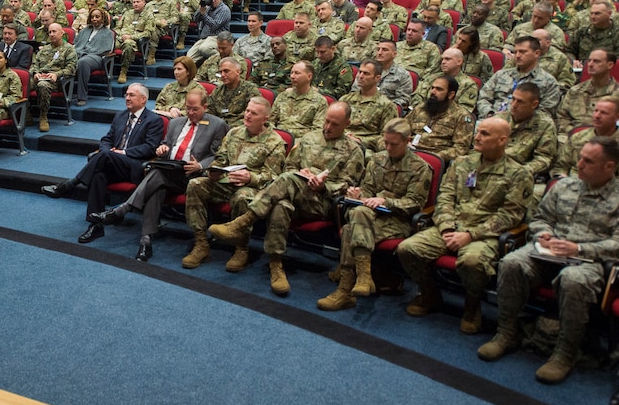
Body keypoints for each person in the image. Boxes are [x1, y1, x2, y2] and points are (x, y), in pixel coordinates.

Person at [479, 137, 619, 384]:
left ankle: (565, 353)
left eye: (588, 161)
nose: (579, 164)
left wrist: (580, 248)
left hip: (589, 261)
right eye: (580, 157)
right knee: (512, 263)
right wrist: (543, 233)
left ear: (609, 166)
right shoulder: (565, 186)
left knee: (573, 280)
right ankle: (506, 333)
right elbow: (541, 217)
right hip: (548, 252)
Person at [209, 102, 365, 296]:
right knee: (281, 204)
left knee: (288, 182)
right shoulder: (309, 138)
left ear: (347, 124)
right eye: (326, 121)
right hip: (295, 192)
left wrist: (323, 185)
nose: (328, 127)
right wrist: (302, 173)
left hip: (322, 202)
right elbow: (289, 168)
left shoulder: (353, 150)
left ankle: (243, 222)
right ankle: (276, 264)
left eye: (335, 124)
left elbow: (347, 185)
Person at [396, 117, 534, 334]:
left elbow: (510, 216)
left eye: (485, 134)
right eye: (478, 132)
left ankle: (472, 305)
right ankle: (430, 293)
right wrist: (447, 228)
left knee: (472, 261)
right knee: (408, 249)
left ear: (502, 140)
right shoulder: (462, 163)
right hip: (450, 226)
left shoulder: (519, 174)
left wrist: (470, 235)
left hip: (485, 235)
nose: (477, 137)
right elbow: (445, 199)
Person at [89, 89, 228, 261]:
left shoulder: (217, 125)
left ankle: (123, 209)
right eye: (188, 108)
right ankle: (145, 241)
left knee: (157, 174)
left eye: (195, 109)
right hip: (170, 169)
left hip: (193, 176)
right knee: (157, 183)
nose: (191, 113)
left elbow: (218, 155)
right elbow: (165, 145)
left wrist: (200, 165)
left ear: (205, 107)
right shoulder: (176, 123)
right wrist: (162, 149)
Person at [318, 118, 432, 311]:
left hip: (397, 220)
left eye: (393, 144)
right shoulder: (377, 159)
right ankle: (363, 276)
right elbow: (368, 189)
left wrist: (386, 201)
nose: (388, 148)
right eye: (385, 143)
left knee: (348, 229)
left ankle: (346, 288)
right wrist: (358, 194)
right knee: (359, 212)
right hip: (371, 215)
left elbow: (415, 203)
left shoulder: (420, 168)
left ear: (407, 141)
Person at [41, 84, 164, 231]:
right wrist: (108, 152)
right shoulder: (120, 116)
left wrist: (122, 153)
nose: (127, 98)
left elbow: (150, 148)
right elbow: (107, 139)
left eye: (132, 95)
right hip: (112, 161)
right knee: (99, 174)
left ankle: (69, 185)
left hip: (134, 166)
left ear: (143, 99)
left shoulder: (154, 120)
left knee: (102, 157)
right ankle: (96, 225)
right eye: (126, 94)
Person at [183, 96, 286, 271]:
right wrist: (214, 170)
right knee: (195, 184)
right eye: (247, 111)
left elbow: (273, 176)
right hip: (226, 182)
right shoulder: (234, 133)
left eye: (253, 113)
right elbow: (221, 158)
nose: (247, 115)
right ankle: (201, 243)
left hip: (253, 188)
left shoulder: (275, 142)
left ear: (265, 119)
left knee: (242, 196)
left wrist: (250, 178)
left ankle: (241, 248)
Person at [551, 97, 619, 186]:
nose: (597, 116)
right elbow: (560, 166)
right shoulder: (578, 137)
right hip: (570, 186)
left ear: (617, 117)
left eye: (604, 113)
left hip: (606, 194)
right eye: (595, 111)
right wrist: (562, 177)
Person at [555, 49, 619, 139]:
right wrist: (574, 133)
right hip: (572, 136)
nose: (590, 64)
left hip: (606, 140)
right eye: (589, 61)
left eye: (596, 61)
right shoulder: (575, 91)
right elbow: (561, 117)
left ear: (610, 65)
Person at [477, 36, 561, 118]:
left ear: (537, 53)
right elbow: (483, 98)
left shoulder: (549, 82)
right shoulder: (501, 74)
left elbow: (544, 113)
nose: (517, 56)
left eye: (522, 52)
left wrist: (509, 119)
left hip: (523, 127)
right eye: (515, 52)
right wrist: (489, 114)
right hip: (490, 121)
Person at [405, 75, 474, 163]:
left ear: (450, 94)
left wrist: (436, 157)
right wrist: (403, 142)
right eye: (432, 88)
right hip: (409, 151)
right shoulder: (420, 108)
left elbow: (461, 148)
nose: (433, 92)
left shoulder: (461, 116)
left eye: (439, 89)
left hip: (435, 158)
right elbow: (401, 128)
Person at [341, 60, 399, 153]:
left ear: (377, 78)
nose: (360, 76)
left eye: (366, 73)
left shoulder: (387, 105)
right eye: (360, 72)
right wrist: (344, 136)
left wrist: (360, 141)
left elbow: (386, 137)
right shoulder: (345, 99)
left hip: (364, 148)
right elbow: (334, 124)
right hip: (340, 141)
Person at [31, 23, 78, 132]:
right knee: (21, 82)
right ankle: (26, 113)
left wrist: (57, 74)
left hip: (57, 81)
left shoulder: (69, 49)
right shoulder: (44, 49)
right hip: (40, 76)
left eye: (54, 32)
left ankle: (43, 116)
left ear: (62, 33)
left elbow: (71, 69)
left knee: (42, 85)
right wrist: (35, 73)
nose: (51, 34)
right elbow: (34, 64)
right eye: (50, 32)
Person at [268, 60, 328, 139]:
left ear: (309, 76)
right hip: (277, 139)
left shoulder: (320, 101)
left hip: (302, 143)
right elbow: (271, 121)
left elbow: (317, 131)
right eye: (291, 73)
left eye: (297, 73)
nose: (292, 76)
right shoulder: (283, 96)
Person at [73, 8, 115, 105]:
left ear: (103, 18)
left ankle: (81, 97)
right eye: (92, 17)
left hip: (97, 57)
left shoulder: (108, 33)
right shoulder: (84, 30)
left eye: (97, 17)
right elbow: (76, 44)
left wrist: (86, 52)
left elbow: (107, 49)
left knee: (83, 62)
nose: (94, 19)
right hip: (80, 53)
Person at [208, 57, 261, 128]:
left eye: (226, 71)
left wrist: (229, 127)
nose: (223, 75)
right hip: (218, 127)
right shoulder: (218, 90)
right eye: (221, 72)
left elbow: (253, 115)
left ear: (238, 72)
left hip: (239, 129)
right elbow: (209, 111)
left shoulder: (250, 90)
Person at [187, 0, 232, 64]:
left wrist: (204, 14)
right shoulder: (208, 7)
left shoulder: (224, 9)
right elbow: (195, 19)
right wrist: (201, 8)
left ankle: (224, 59)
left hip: (217, 37)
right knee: (189, 58)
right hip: (204, 38)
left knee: (204, 49)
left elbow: (214, 25)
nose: (213, 1)